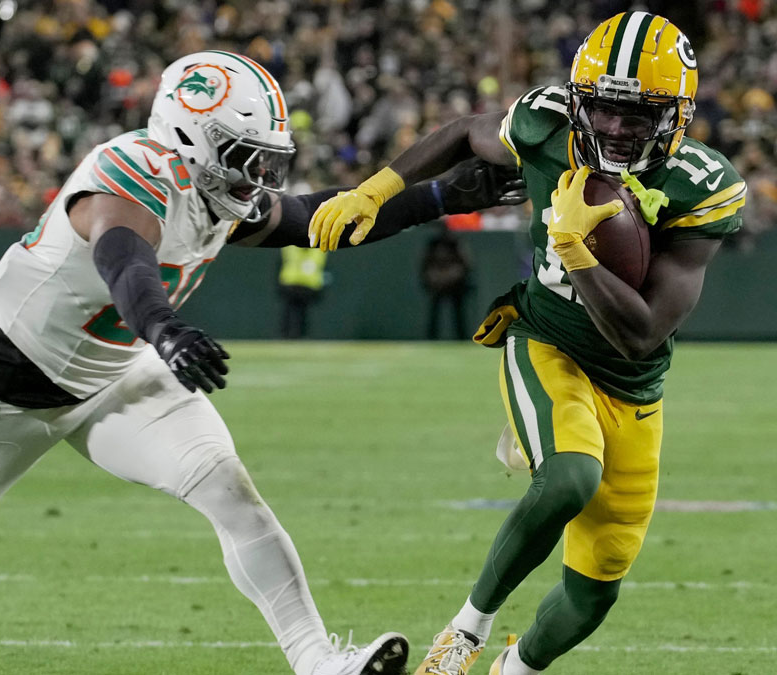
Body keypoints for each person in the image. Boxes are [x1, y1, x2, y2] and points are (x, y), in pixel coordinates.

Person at [0, 51, 523, 675]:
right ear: (188, 137)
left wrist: (436, 195)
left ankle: (316, 659)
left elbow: (309, 219)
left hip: (121, 374)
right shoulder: (130, 173)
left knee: (232, 495)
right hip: (17, 381)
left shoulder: (215, 188)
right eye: (244, 156)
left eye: (265, 157)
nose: (257, 174)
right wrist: (166, 328)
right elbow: (124, 259)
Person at [309, 14, 745, 675]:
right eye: (603, 107)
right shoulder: (545, 123)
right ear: (578, 100)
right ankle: (462, 633)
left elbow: (643, 334)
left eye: (640, 114)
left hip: (631, 381)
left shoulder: (702, 186)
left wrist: (575, 250)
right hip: (546, 340)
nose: (618, 127)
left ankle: (513, 669)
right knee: (571, 476)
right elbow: (461, 133)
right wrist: (376, 188)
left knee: (593, 594)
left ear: (678, 115)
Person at [420, 229, 472, 340]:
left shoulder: (456, 243)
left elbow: (465, 264)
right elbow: (425, 265)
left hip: (456, 285)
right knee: (435, 313)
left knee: (458, 314)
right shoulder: (433, 244)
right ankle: (431, 338)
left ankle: (462, 338)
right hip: (437, 284)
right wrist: (436, 279)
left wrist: (451, 278)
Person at [278, 246, 327, 338]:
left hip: (306, 285)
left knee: (300, 312)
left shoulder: (318, 245)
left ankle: (298, 336)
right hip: (293, 283)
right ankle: (289, 335)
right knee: (291, 312)